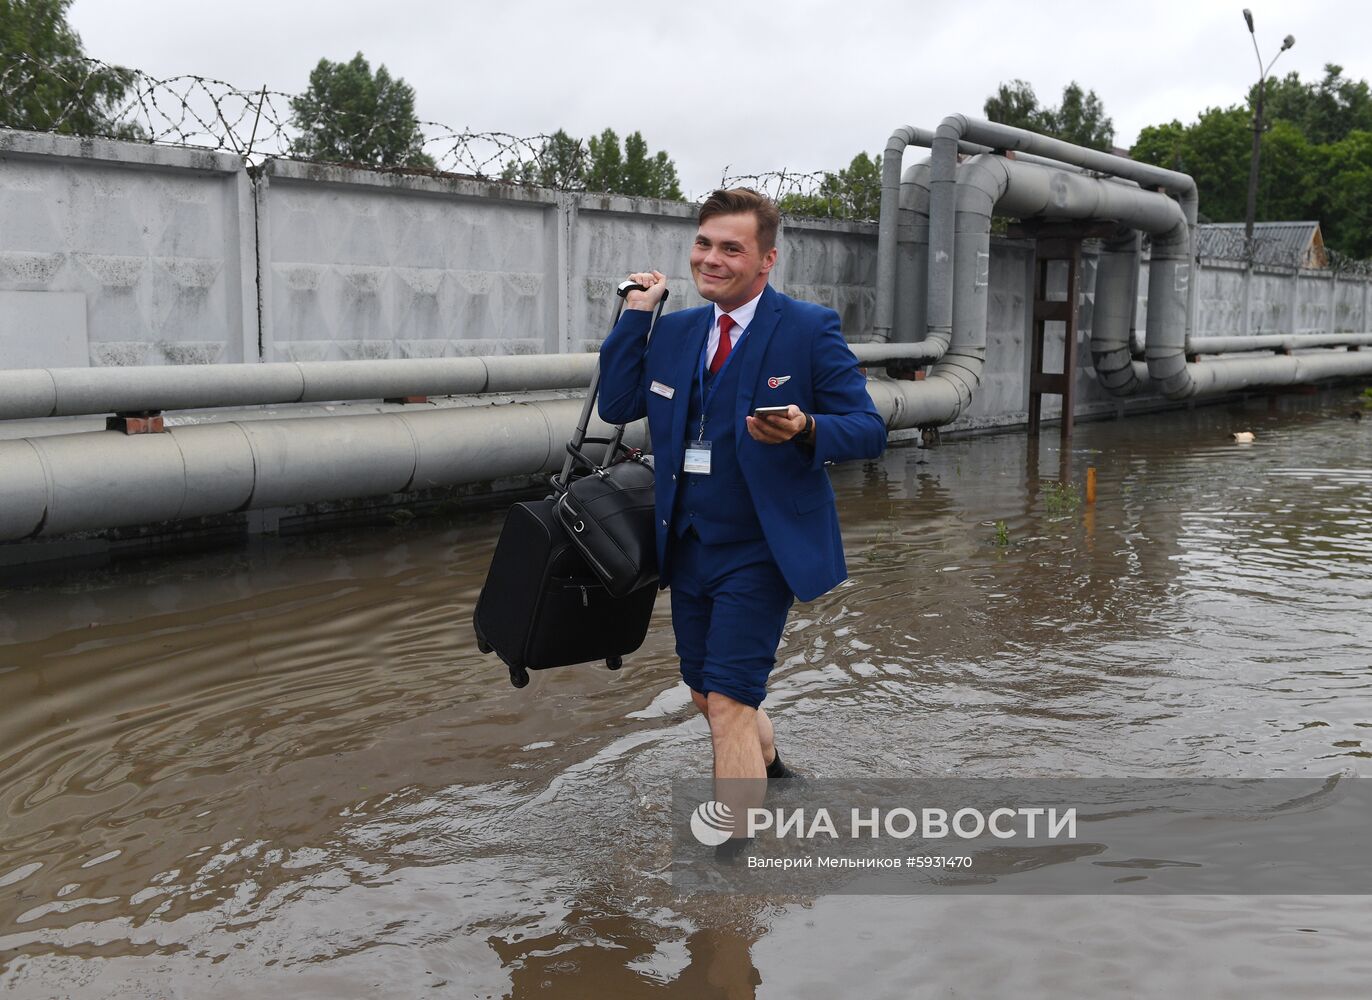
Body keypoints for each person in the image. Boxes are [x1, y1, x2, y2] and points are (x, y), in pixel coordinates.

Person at [597, 188, 886, 847]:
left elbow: (868, 429)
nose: (712, 259)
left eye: (732, 248)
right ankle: (775, 770)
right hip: (687, 545)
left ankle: (730, 871)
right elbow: (616, 403)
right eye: (704, 244)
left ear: (766, 259)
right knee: (706, 693)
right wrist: (635, 315)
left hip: (762, 547)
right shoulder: (673, 331)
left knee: (727, 705)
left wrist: (808, 427)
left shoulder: (809, 329)